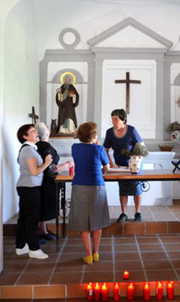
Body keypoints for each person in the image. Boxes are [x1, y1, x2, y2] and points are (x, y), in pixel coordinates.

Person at [69, 122, 110, 264]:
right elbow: (106, 167)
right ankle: (96, 252)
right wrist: (97, 144)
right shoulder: (99, 149)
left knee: (83, 222)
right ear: (94, 136)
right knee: (97, 220)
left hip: (79, 185)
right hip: (96, 185)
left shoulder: (75, 148)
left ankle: (88, 254)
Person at [15, 124, 53, 259]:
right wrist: (47, 163)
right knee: (32, 219)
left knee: (24, 217)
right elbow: (34, 171)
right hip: (30, 187)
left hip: (26, 187)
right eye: (32, 131)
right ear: (25, 136)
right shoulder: (28, 150)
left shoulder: (29, 149)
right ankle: (34, 248)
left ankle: (20, 246)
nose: (36, 133)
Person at [33, 122, 73, 241]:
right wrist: (64, 165)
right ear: (46, 133)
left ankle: (42, 230)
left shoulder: (35, 146)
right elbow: (50, 164)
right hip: (45, 180)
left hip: (40, 179)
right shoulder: (45, 147)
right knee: (42, 206)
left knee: (43, 206)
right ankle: (37, 233)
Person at [103, 108, 144, 223]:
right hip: (119, 164)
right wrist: (111, 164)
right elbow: (104, 150)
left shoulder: (132, 130)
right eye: (112, 119)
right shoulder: (110, 132)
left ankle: (137, 212)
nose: (113, 121)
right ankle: (123, 213)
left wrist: (136, 162)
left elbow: (141, 147)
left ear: (123, 120)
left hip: (134, 165)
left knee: (136, 188)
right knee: (123, 189)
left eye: (116, 119)